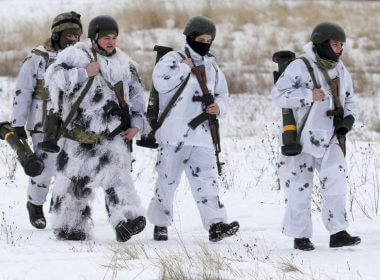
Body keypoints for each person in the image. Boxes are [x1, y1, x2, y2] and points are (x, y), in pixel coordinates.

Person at [44, 15, 147, 241]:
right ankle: (70, 227)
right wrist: (84, 73)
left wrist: (137, 124)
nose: (111, 42)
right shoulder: (76, 55)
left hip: (110, 136)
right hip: (76, 139)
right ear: (94, 38)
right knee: (74, 186)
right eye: (106, 37)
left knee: (117, 179)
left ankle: (125, 221)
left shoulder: (125, 63)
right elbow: (54, 79)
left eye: (114, 37)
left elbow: (138, 97)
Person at [147, 15, 239, 242]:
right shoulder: (172, 59)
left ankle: (216, 225)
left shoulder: (213, 67)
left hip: (203, 136)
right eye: (201, 39)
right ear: (190, 37)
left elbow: (223, 94)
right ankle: (160, 223)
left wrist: (220, 108)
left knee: (207, 181)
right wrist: (183, 69)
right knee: (167, 181)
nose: (205, 43)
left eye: (209, 40)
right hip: (174, 135)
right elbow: (160, 83)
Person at [272, 22, 361, 250]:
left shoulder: (340, 69)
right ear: (321, 43)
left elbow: (350, 99)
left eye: (341, 44)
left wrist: (347, 121)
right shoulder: (299, 67)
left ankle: (338, 232)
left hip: (331, 136)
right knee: (300, 187)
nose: (339, 48)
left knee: (337, 184)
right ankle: (300, 236)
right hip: (302, 138)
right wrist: (307, 95)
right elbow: (278, 96)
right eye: (334, 44)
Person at [10, 11, 82, 229]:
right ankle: (35, 204)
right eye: (70, 35)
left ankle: (59, 206)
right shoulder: (37, 58)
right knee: (44, 169)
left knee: (68, 169)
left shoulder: (78, 57)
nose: (74, 40)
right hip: (42, 123)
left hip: (70, 124)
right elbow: (23, 91)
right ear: (57, 33)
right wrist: (17, 123)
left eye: (77, 36)